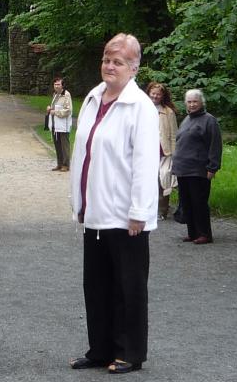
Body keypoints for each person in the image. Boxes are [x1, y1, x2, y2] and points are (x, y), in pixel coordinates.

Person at [69, 34, 158, 375]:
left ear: (134, 68)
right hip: (96, 211)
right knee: (96, 285)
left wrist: (139, 211)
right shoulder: (94, 98)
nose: (109, 66)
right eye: (107, 59)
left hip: (125, 215)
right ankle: (100, 349)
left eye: (118, 62)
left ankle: (130, 352)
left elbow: (145, 163)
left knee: (128, 287)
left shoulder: (140, 107)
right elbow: (83, 154)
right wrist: (80, 202)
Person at [171, 89, 222, 244]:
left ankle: (204, 234)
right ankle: (192, 233)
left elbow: (215, 145)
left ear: (201, 102)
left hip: (198, 169)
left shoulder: (209, 120)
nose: (192, 104)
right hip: (183, 169)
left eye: (195, 101)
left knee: (199, 202)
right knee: (186, 202)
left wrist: (212, 167)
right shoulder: (187, 119)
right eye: (189, 102)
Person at [146, 82, 179, 219]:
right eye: (153, 93)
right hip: (146, 152)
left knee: (163, 180)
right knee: (147, 181)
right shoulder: (142, 108)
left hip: (164, 153)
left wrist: (174, 154)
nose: (155, 96)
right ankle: (147, 209)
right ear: (148, 93)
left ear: (163, 96)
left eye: (158, 94)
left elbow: (174, 135)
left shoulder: (168, 112)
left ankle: (162, 211)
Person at [47, 77, 73, 172]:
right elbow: (55, 108)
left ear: (62, 85)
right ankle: (59, 164)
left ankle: (66, 165)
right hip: (55, 124)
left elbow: (68, 110)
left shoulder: (66, 95)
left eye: (58, 84)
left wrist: (55, 112)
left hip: (63, 125)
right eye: (55, 84)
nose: (56, 86)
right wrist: (50, 109)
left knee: (64, 146)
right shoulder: (55, 94)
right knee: (57, 145)